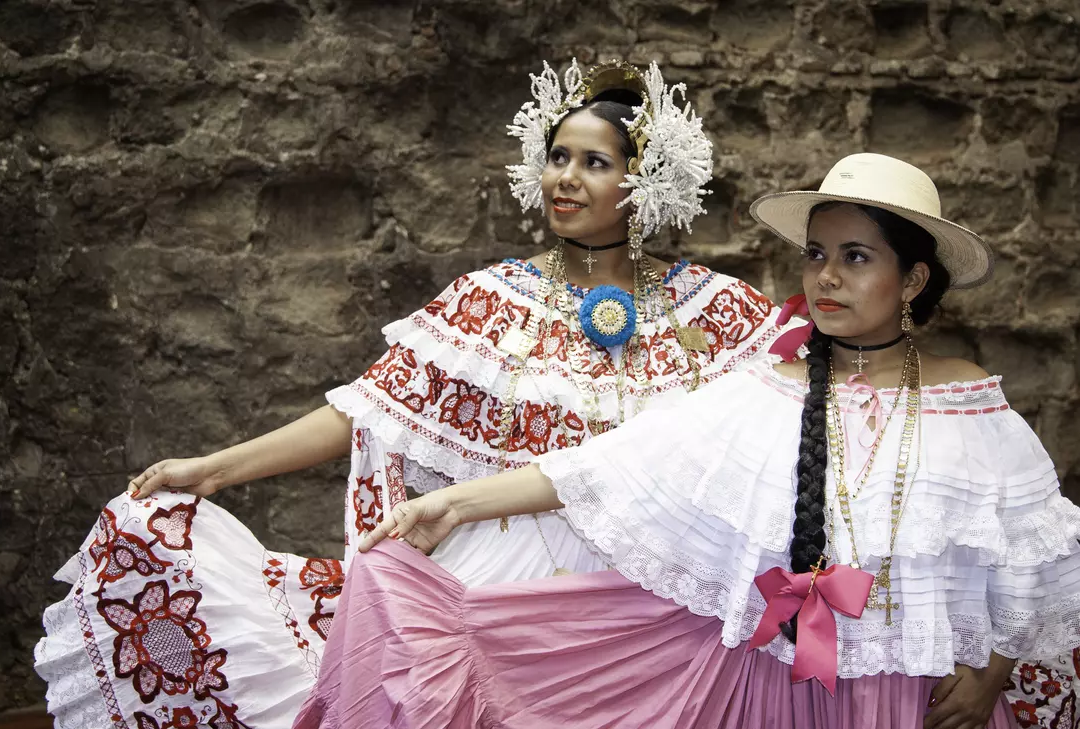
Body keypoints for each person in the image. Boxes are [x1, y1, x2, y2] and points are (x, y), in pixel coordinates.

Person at [33, 59, 787, 729]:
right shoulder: (489, 301)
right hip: (500, 586)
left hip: (643, 609)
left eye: (594, 161)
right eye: (557, 156)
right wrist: (215, 469)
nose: (564, 177)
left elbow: (786, 431)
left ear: (645, 181)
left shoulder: (716, 314)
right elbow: (367, 409)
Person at [298, 153, 1080, 729]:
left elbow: (1031, 557)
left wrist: (993, 676)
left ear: (912, 280)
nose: (826, 279)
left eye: (855, 257)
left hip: (915, 699)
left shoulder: (969, 403)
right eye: (816, 254)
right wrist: (460, 505)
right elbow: (618, 467)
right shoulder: (769, 387)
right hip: (773, 689)